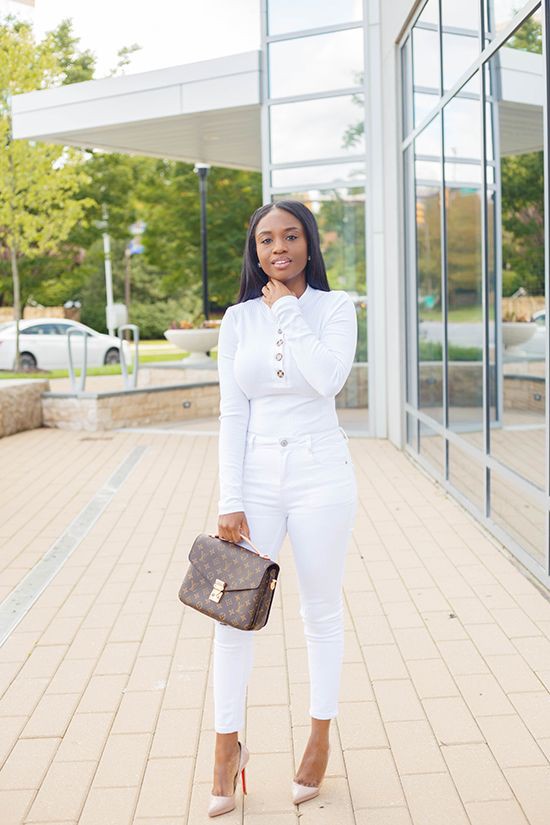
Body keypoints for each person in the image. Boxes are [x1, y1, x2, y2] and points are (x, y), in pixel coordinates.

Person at [208, 199, 358, 817]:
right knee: (234, 616)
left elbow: (328, 379)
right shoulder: (238, 319)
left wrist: (290, 310)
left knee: (320, 609)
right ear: (255, 249)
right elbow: (231, 411)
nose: (279, 248)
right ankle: (225, 746)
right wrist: (230, 499)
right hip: (258, 478)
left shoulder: (334, 308)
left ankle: (319, 739)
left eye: (291, 236)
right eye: (267, 238)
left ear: (308, 243)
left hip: (323, 474)